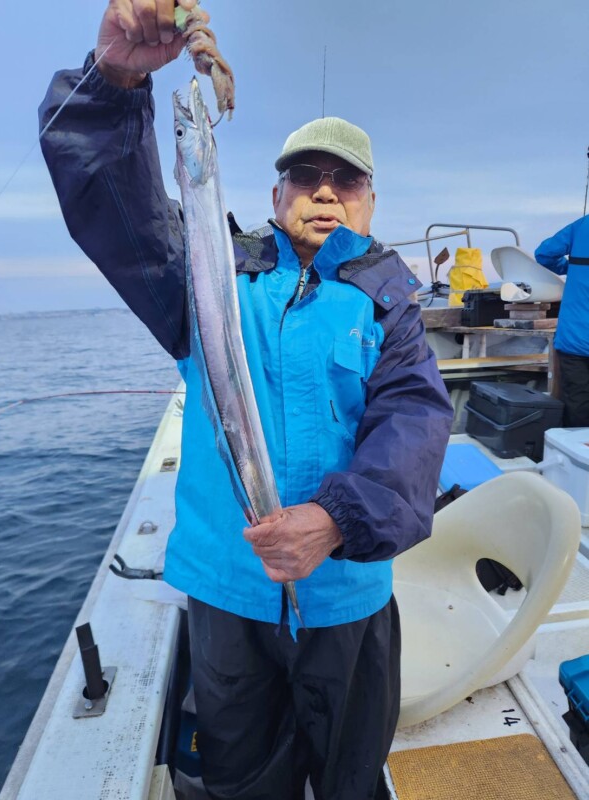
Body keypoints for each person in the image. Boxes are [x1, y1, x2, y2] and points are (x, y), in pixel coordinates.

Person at [39, 2, 453, 797]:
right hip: (230, 595)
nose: (324, 192)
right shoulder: (206, 276)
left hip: (347, 600)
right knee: (241, 777)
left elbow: (414, 424)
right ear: (274, 193)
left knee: (348, 777)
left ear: (369, 201)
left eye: (347, 179)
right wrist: (117, 83)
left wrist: (337, 518)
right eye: (306, 176)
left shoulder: (389, 303)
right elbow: (113, 209)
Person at [535, 216, 589, 427]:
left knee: (577, 405)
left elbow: (544, 254)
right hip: (574, 341)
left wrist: (569, 267)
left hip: (574, 340)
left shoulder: (581, 226)